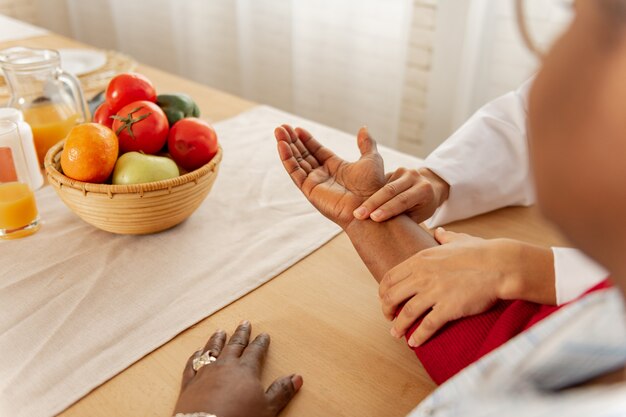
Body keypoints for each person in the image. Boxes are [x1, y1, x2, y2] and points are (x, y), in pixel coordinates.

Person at [173, 0, 626, 414]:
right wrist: (401, 203)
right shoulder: (589, 343)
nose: (550, 73)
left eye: (597, 24)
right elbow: (510, 346)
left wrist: (203, 416)